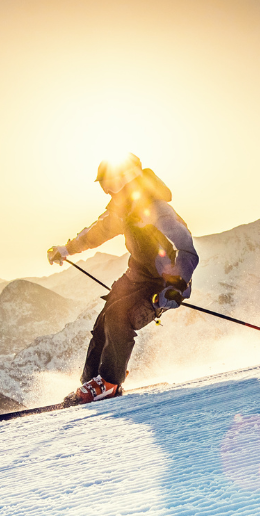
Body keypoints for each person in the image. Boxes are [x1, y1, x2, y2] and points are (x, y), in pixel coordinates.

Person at [47, 153, 199, 404]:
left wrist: (177, 285)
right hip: (136, 276)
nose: (107, 192)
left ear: (124, 179)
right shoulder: (122, 211)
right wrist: (66, 250)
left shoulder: (157, 209)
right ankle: (92, 382)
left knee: (120, 316)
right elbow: (94, 234)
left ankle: (109, 382)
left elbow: (183, 247)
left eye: (109, 185)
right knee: (104, 320)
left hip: (164, 283)